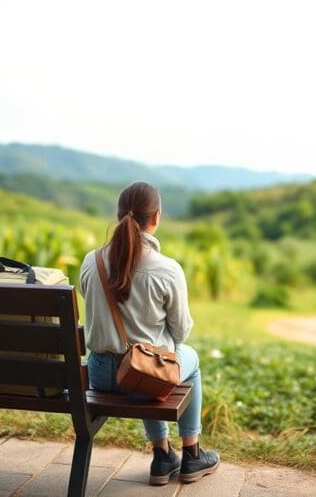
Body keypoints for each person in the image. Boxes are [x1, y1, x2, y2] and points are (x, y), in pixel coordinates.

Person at [79, 181, 220, 486]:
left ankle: (163, 455)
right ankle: (192, 454)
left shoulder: (92, 261)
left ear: (119, 216)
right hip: (141, 379)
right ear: (155, 217)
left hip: (99, 375)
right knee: (175, 360)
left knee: (146, 362)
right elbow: (181, 331)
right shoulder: (167, 269)